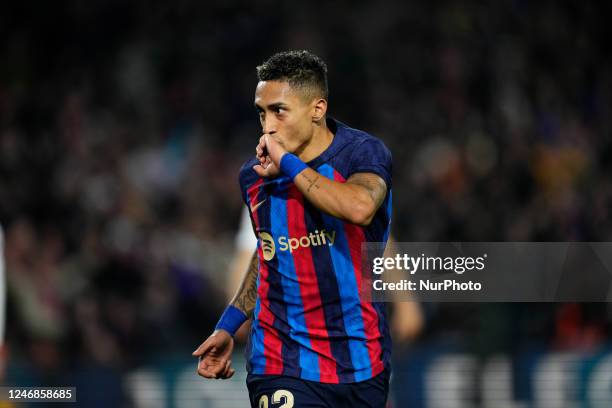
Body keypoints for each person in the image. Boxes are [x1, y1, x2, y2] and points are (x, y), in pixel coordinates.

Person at [193, 50, 394, 407]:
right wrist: (229, 323)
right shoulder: (253, 178)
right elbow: (270, 251)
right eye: (261, 112)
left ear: (317, 109)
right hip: (282, 362)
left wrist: (287, 164)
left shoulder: (362, 154)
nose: (268, 125)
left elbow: (360, 207)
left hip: (362, 364)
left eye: (278, 111)